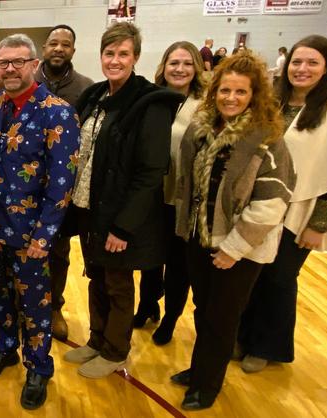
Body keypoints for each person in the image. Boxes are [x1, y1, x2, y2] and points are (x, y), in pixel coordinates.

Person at [171, 52, 295, 410]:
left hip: (238, 247)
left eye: (241, 92)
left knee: (223, 317)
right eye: (225, 90)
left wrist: (234, 248)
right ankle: (199, 368)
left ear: (254, 96)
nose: (231, 98)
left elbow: (272, 201)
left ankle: (207, 384)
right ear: (214, 92)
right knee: (203, 309)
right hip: (199, 238)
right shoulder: (201, 127)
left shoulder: (267, 139)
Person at [62, 22, 181, 379]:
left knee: (117, 283)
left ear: (136, 58)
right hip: (89, 208)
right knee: (96, 276)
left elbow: (150, 171)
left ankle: (116, 351)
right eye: (109, 53)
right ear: (100, 56)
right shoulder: (96, 96)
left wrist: (123, 226)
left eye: (123, 54)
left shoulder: (149, 103)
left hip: (119, 217)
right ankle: (97, 341)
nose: (115, 60)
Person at [0, 33, 79, 410]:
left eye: (18, 61)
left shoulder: (58, 112)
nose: (10, 68)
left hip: (33, 234)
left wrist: (44, 236)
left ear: (34, 64)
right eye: (3, 62)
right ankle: (3, 349)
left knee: (35, 306)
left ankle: (38, 367)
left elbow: (62, 182)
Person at [237, 35, 327, 373]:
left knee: (280, 278)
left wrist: (318, 224)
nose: (302, 69)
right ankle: (242, 335)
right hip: (262, 204)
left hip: (302, 210)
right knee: (250, 272)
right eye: (297, 61)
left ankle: (267, 346)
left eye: (312, 63)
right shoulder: (271, 104)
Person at [134, 41, 204, 345]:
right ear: (164, 66)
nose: (180, 69)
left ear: (197, 69)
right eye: (174, 62)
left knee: (178, 265)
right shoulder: (153, 99)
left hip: (183, 198)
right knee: (150, 258)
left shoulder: (205, 105)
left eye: (187, 63)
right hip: (153, 194)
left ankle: (171, 318)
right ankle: (147, 305)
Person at [33, 24, 94, 342]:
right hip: (24, 186)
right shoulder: (26, 83)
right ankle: (24, 306)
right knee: (21, 251)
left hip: (62, 189)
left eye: (65, 44)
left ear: (73, 50)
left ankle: (54, 307)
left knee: (57, 253)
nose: (58, 48)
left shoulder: (87, 89)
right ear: (43, 49)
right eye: (53, 43)